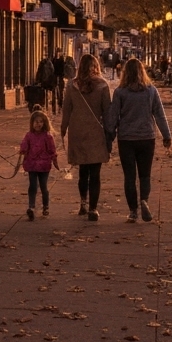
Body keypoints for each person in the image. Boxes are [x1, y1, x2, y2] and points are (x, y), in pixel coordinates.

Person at [105, 58, 172, 223]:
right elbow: (159, 114)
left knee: (129, 176)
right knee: (145, 175)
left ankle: (133, 211)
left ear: (125, 73)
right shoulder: (151, 91)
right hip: (147, 138)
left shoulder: (120, 92)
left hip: (126, 139)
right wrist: (166, 135)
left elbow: (113, 117)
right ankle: (144, 200)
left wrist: (109, 135)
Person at [60, 53, 111, 221]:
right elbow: (107, 111)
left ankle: (83, 203)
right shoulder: (103, 86)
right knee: (95, 173)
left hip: (78, 132)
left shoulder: (72, 86)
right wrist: (111, 132)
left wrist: (63, 128)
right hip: (96, 132)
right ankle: (93, 209)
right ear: (96, 66)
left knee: (83, 171)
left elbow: (66, 109)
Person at [17, 107, 59, 220]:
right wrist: (23, 150)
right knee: (32, 186)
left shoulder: (48, 136)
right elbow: (24, 145)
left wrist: (54, 159)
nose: (38, 124)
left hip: (44, 165)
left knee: (44, 186)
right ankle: (31, 207)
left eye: (41, 122)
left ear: (44, 123)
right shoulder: (29, 135)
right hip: (32, 164)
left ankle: (45, 206)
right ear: (32, 123)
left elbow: (52, 150)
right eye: (36, 122)